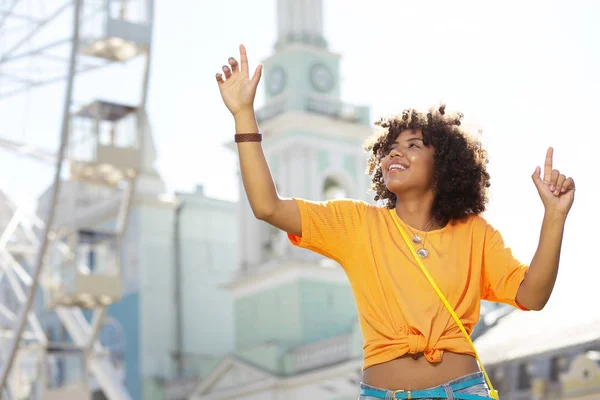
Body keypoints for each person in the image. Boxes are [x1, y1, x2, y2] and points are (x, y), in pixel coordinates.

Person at [215, 45, 575, 400]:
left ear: (445, 164)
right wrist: (244, 114)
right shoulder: (356, 224)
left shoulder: (474, 234)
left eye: (414, 145)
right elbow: (267, 207)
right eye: (390, 148)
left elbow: (533, 294)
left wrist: (554, 217)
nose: (395, 152)